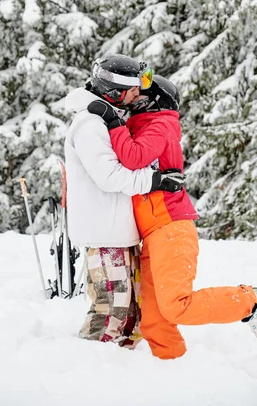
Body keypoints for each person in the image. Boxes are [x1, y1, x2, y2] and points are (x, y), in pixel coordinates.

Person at [87, 75, 257, 359]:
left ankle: (249, 300)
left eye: (139, 97)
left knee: (176, 305)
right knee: (153, 322)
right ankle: (173, 374)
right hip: (152, 234)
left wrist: (113, 121)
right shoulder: (139, 127)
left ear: (154, 101)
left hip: (170, 227)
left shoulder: (161, 124)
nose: (133, 101)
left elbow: (134, 158)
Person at [64, 56, 185, 347]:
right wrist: (156, 180)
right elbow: (110, 177)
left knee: (131, 315)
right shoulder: (90, 124)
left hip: (119, 230)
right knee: (111, 312)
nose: (139, 94)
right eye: (134, 88)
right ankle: (86, 365)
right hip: (103, 230)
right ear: (114, 90)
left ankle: (123, 373)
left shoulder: (110, 119)